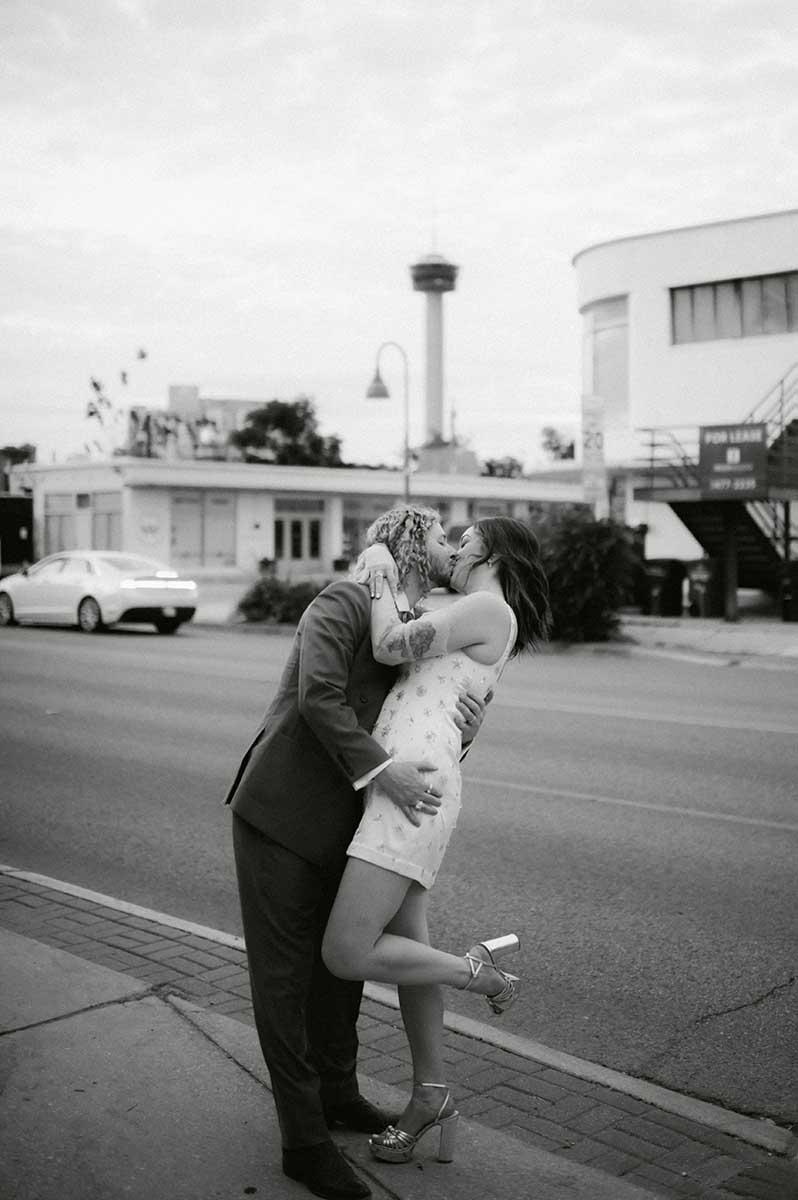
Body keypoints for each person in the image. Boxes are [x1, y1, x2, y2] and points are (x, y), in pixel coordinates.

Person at [224, 505, 488, 1200]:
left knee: (338, 976)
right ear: (407, 543)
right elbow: (319, 698)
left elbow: (426, 714)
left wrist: (471, 722)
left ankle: (339, 1094)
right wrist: (384, 771)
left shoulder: (406, 627)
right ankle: (303, 1143)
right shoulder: (342, 601)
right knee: (283, 984)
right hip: (281, 814)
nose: (448, 545)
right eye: (436, 535)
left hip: (351, 820)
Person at [322, 514, 551, 1167]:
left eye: (468, 532)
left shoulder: (485, 606)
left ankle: (479, 973)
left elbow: (393, 644)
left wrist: (380, 567)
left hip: (410, 791)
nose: (456, 540)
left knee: (345, 951)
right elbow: (447, 705)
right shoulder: (474, 611)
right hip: (407, 784)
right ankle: (432, 1095)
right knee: (406, 955)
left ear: (492, 549)